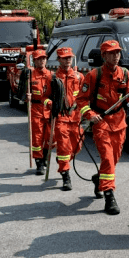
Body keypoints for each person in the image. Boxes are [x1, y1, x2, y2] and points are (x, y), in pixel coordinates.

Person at [77, 40, 129, 215]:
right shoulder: (94, 75)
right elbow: (81, 100)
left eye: (117, 52)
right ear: (104, 56)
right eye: (111, 53)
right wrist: (90, 115)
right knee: (108, 159)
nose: (115, 56)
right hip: (101, 122)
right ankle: (109, 197)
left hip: (119, 122)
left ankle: (99, 179)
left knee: (113, 159)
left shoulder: (126, 74)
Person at [51, 47, 84, 192]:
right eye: (64, 58)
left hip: (76, 118)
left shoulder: (79, 77)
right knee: (63, 147)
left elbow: (85, 95)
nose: (67, 60)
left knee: (77, 147)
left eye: (69, 57)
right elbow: (46, 96)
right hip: (61, 118)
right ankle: (65, 176)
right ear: (59, 59)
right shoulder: (53, 78)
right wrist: (50, 104)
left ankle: (62, 161)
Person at [27, 47, 53, 176]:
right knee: (37, 138)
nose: (42, 61)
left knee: (50, 137)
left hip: (49, 110)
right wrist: (27, 97)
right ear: (34, 61)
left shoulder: (52, 75)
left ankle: (45, 157)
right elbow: (21, 94)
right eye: (39, 59)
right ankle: (39, 163)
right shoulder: (29, 75)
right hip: (36, 109)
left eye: (43, 58)